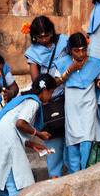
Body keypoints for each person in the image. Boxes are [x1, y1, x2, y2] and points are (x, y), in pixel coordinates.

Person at [0, 74, 56, 196]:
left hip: (0, 140)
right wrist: (39, 134)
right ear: (45, 90)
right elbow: (20, 123)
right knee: (15, 183)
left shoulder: (22, 100)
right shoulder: (33, 102)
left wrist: (33, 143)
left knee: (1, 183)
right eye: (51, 92)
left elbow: (15, 128)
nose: (51, 96)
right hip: (7, 142)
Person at [25, 16, 69, 177]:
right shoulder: (32, 53)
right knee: (53, 141)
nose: (45, 39)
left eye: (47, 35)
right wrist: (49, 89)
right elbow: (37, 82)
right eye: (40, 37)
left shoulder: (64, 42)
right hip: (49, 101)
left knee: (71, 140)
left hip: (68, 96)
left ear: (52, 32)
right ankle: (54, 177)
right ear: (34, 37)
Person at [59, 32, 100, 174]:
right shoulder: (63, 63)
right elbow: (55, 82)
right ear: (70, 50)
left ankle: (86, 173)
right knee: (72, 138)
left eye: (84, 50)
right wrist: (70, 70)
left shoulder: (94, 63)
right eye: (77, 50)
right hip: (71, 106)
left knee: (87, 136)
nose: (81, 54)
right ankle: (74, 175)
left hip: (88, 103)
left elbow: (97, 81)